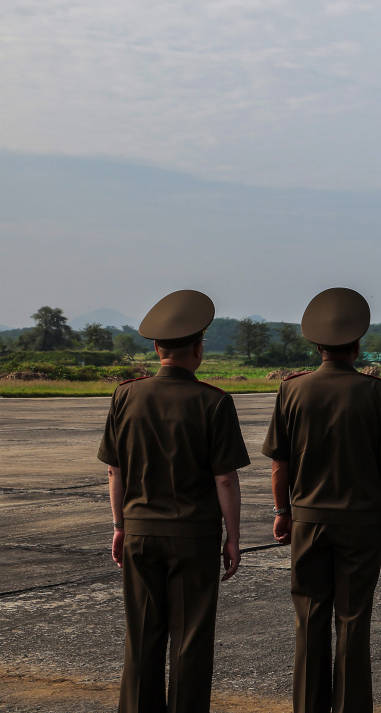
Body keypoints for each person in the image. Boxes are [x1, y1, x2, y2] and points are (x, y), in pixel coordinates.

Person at [97, 289, 250, 713]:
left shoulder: (125, 395)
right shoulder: (214, 401)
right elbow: (225, 479)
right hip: (194, 537)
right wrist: (233, 537)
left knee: (143, 638)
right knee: (190, 640)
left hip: (140, 532)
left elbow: (114, 471)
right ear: (198, 349)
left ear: (155, 348)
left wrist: (120, 525)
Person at [262, 287, 381, 713]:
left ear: (317, 345)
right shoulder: (376, 392)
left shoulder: (291, 391)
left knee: (309, 619)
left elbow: (279, 465)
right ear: (356, 345)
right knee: (352, 621)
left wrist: (281, 512)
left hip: (307, 521)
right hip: (361, 522)